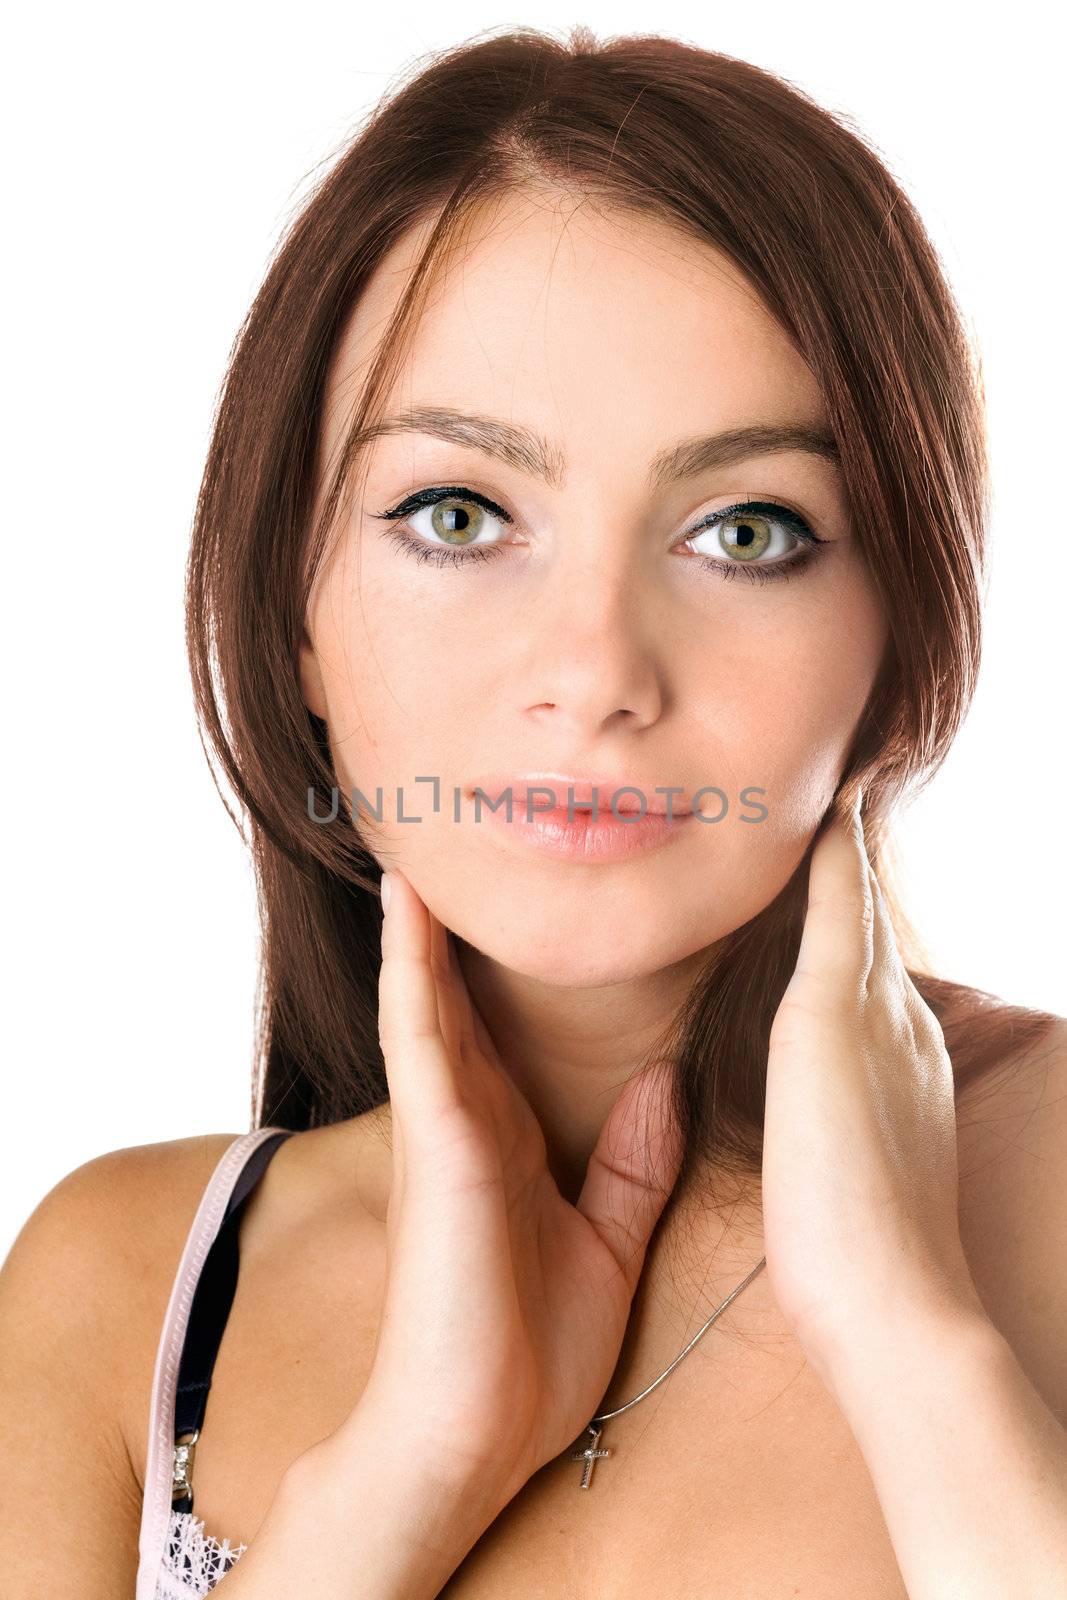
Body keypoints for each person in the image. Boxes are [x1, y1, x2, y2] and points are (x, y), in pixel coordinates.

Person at [2, 23, 1065, 1600]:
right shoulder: (124, 1286)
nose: (595, 672)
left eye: (748, 528)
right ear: (292, 610)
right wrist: (407, 1471)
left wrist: (916, 1346)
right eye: (459, 513)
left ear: (905, 629)